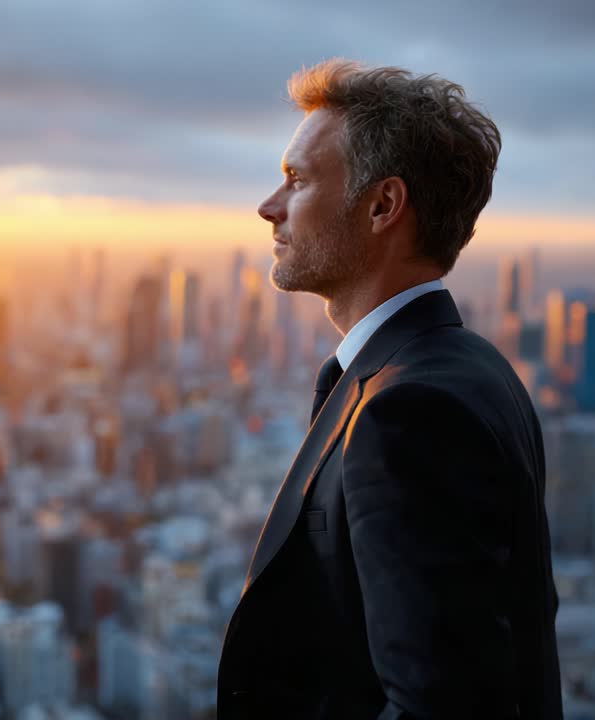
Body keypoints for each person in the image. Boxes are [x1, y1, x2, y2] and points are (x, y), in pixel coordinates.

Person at [216, 59, 562, 719]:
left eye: (297, 180)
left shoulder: (411, 412)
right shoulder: (468, 366)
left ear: (382, 206)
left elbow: (444, 707)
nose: (268, 207)